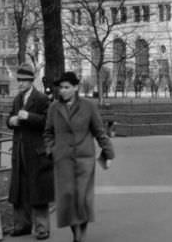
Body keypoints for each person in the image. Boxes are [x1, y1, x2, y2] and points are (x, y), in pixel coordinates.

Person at [44, 71, 114, 242]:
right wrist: (51, 150)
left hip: (84, 159)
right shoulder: (54, 108)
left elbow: (99, 131)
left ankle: (80, 235)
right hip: (63, 160)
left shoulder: (88, 106)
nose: (63, 91)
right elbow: (48, 133)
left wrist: (108, 153)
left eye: (67, 87)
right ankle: (75, 232)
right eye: (61, 88)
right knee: (67, 198)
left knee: (82, 198)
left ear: (76, 88)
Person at [6, 64, 53, 239]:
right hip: (19, 151)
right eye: (18, 80)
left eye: (24, 80)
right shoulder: (17, 99)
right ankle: (22, 225)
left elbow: (48, 122)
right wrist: (11, 121)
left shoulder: (41, 99)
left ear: (31, 81)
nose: (20, 83)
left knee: (38, 190)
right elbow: (10, 117)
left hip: (36, 152)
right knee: (19, 189)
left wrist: (30, 117)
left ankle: (42, 228)